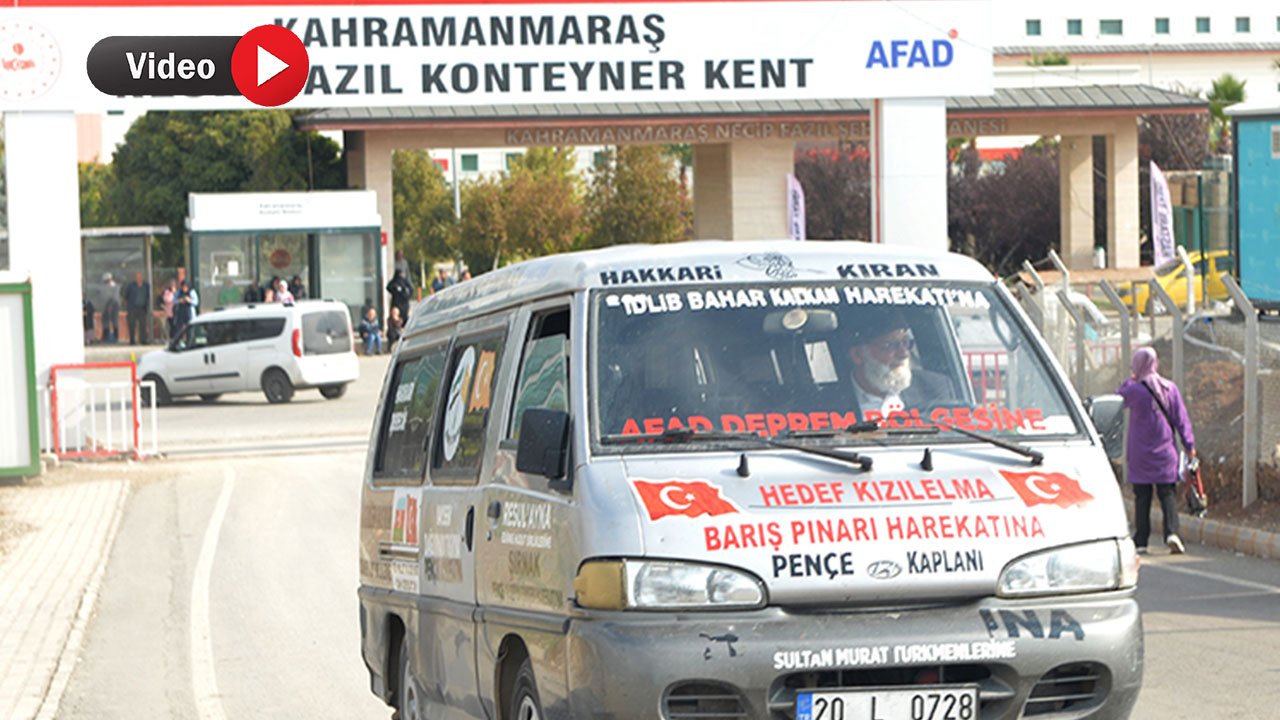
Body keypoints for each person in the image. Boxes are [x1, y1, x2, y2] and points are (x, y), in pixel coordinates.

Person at [1117, 347, 1195, 555]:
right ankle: (1171, 533)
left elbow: (1118, 397)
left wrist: (1132, 379)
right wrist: (1189, 446)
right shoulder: (1170, 389)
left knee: (1142, 496)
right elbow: (1181, 420)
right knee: (1167, 493)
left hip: (1140, 452)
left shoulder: (1135, 391)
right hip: (1165, 450)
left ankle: (1141, 539)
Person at [846, 307, 951, 420]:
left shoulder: (935, 389)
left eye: (906, 343)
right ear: (858, 355)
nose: (904, 354)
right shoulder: (832, 402)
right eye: (889, 346)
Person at [123, 271, 151, 345]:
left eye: (140, 277)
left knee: (143, 325)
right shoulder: (131, 286)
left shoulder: (146, 286)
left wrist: (146, 305)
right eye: (137, 277)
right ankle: (132, 340)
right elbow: (126, 296)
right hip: (132, 308)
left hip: (142, 308)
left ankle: (143, 340)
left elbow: (147, 296)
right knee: (132, 324)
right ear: (135, 278)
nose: (139, 278)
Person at [100, 273, 121, 343]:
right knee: (105, 320)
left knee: (114, 320)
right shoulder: (105, 286)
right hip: (105, 306)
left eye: (106, 281)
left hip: (114, 305)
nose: (106, 283)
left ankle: (115, 336)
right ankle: (105, 335)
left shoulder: (115, 286)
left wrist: (110, 305)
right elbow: (102, 297)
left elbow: (114, 297)